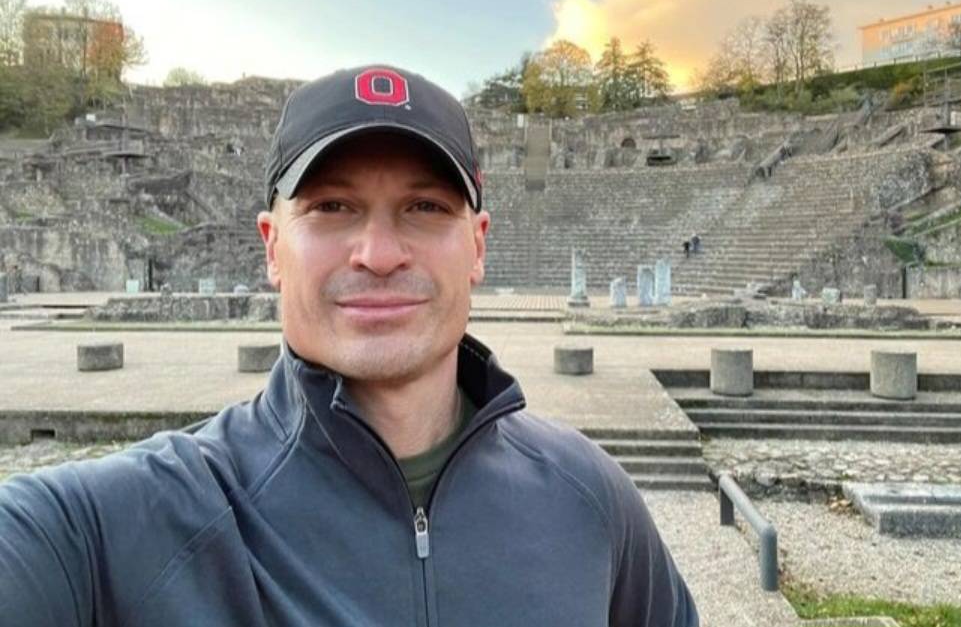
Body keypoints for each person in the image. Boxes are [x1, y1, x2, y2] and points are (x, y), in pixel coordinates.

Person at [0, 65, 698, 626]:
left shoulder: (592, 498)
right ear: (272, 246)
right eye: (332, 206)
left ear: (478, 245)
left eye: (425, 207)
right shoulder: (112, 525)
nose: (379, 252)